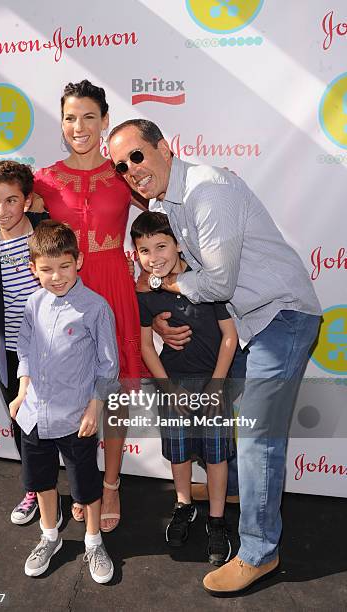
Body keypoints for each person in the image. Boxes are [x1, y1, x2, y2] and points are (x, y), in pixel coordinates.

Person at [109, 119, 321, 596]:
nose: (130, 171)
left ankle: (259, 552)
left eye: (137, 156)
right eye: (121, 166)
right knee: (219, 420)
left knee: (256, 440)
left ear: (165, 148)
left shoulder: (209, 191)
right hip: (248, 324)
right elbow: (191, 276)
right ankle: (234, 494)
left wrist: (164, 287)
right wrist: (162, 316)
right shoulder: (167, 204)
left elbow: (217, 285)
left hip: (281, 318)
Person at [0, 80, 145, 531]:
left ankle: (109, 486)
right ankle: (82, 481)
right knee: (68, 388)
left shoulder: (124, 174)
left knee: (114, 390)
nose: (79, 126)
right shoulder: (44, 179)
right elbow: (10, 226)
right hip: (61, 296)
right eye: (70, 117)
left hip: (113, 289)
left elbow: (163, 222)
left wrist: (158, 279)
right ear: (61, 123)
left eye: (89, 116)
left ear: (105, 120)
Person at [10, 220, 118, 582]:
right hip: (34, 416)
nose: (56, 277)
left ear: (79, 261)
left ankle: (92, 541)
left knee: (85, 485)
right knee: (41, 482)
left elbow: (108, 364)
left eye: (64, 267)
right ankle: (50, 536)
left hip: (76, 417)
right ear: (33, 268)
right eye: (46, 269)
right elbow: (24, 347)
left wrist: (94, 406)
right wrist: (23, 390)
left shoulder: (96, 307)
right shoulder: (32, 302)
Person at [131, 210, 237, 565]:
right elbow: (146, 346)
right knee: (178, 453)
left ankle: (218, 520)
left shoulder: (206, 283)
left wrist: (217, 385)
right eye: (144, 251)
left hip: (213, 384)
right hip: (173, 385)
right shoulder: (145, 295)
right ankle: (183, 505)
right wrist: (167, 388)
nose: (154, 257)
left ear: (179, 244)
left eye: (161, 246)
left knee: (216, 455)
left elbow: (230, 336)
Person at [0, 160, 49, 525]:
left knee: (64, 424)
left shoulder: (45, 231)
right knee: (23, 423)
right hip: (12, 353)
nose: (1, 210)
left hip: (53, 347)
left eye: (10, 200)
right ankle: (33, 489)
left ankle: (81, 493)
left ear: (27, 200)